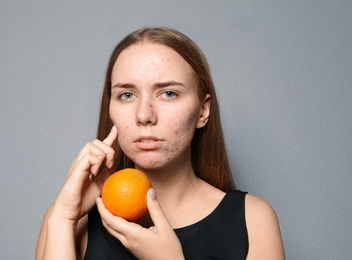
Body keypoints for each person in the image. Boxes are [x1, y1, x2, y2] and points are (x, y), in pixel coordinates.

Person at [36, 27, 284, 260]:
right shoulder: (68, 219)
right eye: (127, 95)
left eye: (168, 93)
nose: (144, 115)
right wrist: (63, 218)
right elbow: (63, 218)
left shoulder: (253, 220)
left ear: (203, 111)